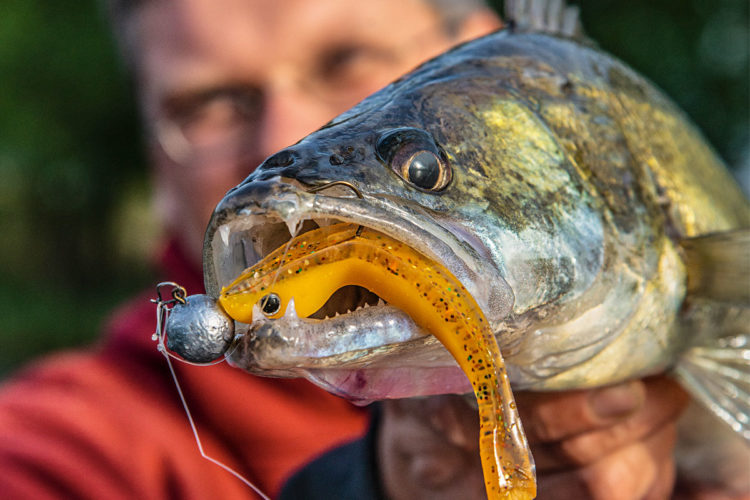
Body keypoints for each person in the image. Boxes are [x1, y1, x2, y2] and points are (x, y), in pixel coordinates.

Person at [0, 0, 695, 498]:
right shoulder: (61, 449)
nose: (283, 137)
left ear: (497, 51)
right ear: (154, 170)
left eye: (348, 60)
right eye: (210, 103)